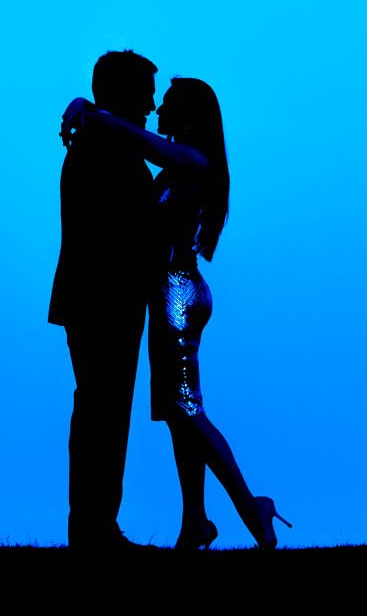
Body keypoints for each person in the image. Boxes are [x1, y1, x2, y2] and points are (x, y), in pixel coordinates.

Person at [61, 75, 287, 550]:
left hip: (177, 295)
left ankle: (251, 505)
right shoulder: (181, 161)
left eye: (166, 102)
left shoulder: (193, 159)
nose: (157, 108)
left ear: (186, 114)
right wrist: (88, 106)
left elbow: (144, 142)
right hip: (172, 292)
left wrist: (93, 110)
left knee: (186, 411)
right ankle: (195, 522)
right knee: (178, 414)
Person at [49, 50, 160, 550]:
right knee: (103, 410)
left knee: (102, 409)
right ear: (122, 94)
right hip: (103, 296)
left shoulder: (101, 136)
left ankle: (94, 525)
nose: (153, 105)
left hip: (101, 295)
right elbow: (116, 227)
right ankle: (94, 527)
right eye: (145, 93)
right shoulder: (103, 141)